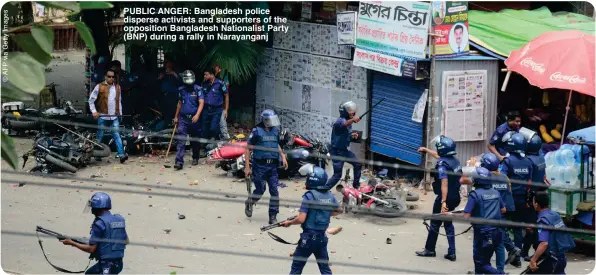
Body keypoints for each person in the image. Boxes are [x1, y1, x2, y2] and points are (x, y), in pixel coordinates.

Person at [460, 152, 519, 273]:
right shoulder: (504, 177)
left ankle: (496, 271)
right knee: (499, 244)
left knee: (481, 254)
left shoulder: (484, 180)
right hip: (500, 214)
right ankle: (501, 267)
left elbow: (463, 180)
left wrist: (471, 167)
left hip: (486, 220)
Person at [280, 165, 342, 274]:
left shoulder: (309, 196)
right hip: (322, 239)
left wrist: (289, 223)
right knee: (325, 269)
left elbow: (301, 219)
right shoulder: (329, 195)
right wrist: (325, 213)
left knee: (296, 268)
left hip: (308, 239)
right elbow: (339, 210)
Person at [416, 135, 461, 261]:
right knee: (448, 223)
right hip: (455, 196)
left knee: (435, 223)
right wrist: (425, 149)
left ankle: (430, 250)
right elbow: (438, 155)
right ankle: (452, 252)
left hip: (445, 197)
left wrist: (443, 201)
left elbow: (444, 184)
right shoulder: (454, 161)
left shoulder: (442, 165)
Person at [60, 192, 129, 274]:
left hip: (106, 266)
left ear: (97, 208)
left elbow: (91, 249)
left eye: (93, 207)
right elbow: (126, 241)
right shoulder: (119, 219)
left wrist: (72, 243)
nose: (92, 210)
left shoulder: (99, 223)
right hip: (119, 264)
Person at [453, 167, 506, 274]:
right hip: (497, 231)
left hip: (483, 234)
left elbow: (466, 216)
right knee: (485, 260)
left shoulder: (475, 194)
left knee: (480, 263)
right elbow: (503, 210)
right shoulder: (495, 192)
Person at [244, 109, 288, 224]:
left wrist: (282, 156)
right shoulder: (257, 131)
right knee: (260, 189)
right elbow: (248, 148)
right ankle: (250, 201)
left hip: (273, 166)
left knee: (274, 191)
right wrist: (247, 167)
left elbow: (276, 144)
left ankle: (273, 216)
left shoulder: (275, 131)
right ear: (265, 120)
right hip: (259, 166)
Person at [500, 132, 533, 268]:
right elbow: (529, 183)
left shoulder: (507, 161)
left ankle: (507, 251)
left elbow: (503, 180)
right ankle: (517, 258)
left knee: (500, 226)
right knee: (518, 229)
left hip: (509, 199)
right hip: (521, 199)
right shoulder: (528, 162)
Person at [529, 191, 575, 274]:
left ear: (536, 204)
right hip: (561, 258)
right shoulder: (555, 215)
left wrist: (533, 260)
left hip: (550, 260)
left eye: (533, 201)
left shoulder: (542, 221)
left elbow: (544, 243)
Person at [88, 69, 128, 164]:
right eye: (109, 76)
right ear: (105, 77)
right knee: (100, 136)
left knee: (117, 135)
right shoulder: (99, 87)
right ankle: (97, 154)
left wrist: (120, 114)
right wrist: (94, 112)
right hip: (102, 116)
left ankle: (121, 155)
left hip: (114, 117)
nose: (111, 78)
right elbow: (91, 100)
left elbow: (119, 102)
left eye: (112, 77)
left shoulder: (117, 88)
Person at [324, 101, 362, 189]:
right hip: (337, 152)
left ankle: (356, 186)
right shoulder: (339, 121)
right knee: (337, 175)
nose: (353, 113)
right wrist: (353, 120)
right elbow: (344, 124)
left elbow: (343, 134)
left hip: (344, 151)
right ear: (345, 112)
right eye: (350, 111)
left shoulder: (348, 122)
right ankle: (323, 190)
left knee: (358, 164)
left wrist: (352, 135)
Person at [523, 134, 549, 261]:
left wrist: (528, 199)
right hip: (541, 193)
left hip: (533, 196)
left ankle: (527, 252)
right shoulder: (541, 158)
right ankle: (528, 250)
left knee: (530, 226)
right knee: (534, 224)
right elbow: (544, 176)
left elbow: (528, 182)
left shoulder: (528, 160)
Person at [173, 70, 204, 170]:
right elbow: (179, 103)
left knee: (195, 139)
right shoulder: (181, 89)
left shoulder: (198, 89)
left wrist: (197, 115)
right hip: (183, 118)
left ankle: (195, 157)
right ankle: (179, 161)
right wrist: (176, 116)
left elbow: (201, 102)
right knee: (181, 140)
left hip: (194, 118)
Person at [202, 69, 229, 144]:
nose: (205, 76)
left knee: (213, 128)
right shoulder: (204, 84)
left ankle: (217, 138)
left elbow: (226, 95)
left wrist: (226, 110)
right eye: (204, 75)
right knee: (204, 129)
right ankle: (206, 146)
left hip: (217, 109)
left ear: (212, 75)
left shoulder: (220, 83)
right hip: (206, 109)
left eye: (206, 74)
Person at [159, 59, 181, 124]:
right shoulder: (163, 72)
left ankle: (171, 124)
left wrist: (173, 73)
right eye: (166, 63)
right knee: (165, 111)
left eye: (168, 63)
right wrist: (160, 77)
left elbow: (180, 81)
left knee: (172, 110)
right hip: (164, 95)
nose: (167, 65)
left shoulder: (176, 71)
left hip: (173, 95)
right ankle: (165, 123)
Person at [213, 64, 231, 141]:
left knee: (222, 124)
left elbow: (226, 93)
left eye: (218, 68)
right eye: (215, 68)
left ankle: (226, 140)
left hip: (221, 106)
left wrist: (226, 109)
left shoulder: (223, 78)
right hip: (211, 107)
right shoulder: (209, 80)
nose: (217, 70)